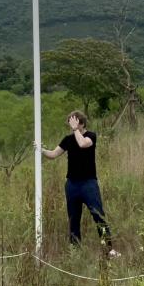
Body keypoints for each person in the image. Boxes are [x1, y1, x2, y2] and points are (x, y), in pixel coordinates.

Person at [40, 110, 118, 257]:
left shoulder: (91, 136)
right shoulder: (68, 139)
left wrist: (76, 130)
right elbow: (53, 154)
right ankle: (75, 252)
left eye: (74, 123)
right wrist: (41, 150)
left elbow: (82, 144)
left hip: (88, 184)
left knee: (98, 216)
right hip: (72, 185)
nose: (71, 126)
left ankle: (108, 250)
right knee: (73, 219)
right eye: (70, 123)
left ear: (81, 123)